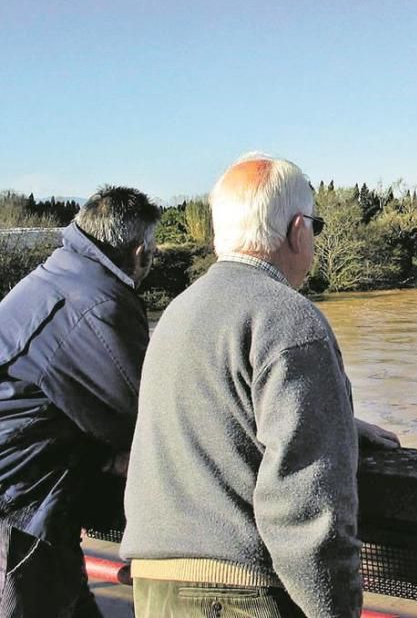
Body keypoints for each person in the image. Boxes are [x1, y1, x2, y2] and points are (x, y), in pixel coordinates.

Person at [122, 153, 398, 618]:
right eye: (316, 226)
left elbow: (215, 411)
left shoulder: (179, 312)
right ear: (297, 230)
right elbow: (307, 503)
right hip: (236, 596)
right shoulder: (288, 319)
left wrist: (335, 416)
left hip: (154, 590)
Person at [0, 186, 161, 617]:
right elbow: (153, 419)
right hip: (18, 517)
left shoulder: (58, 275)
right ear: (140, 250)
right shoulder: (99, 303)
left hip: (33, 502)